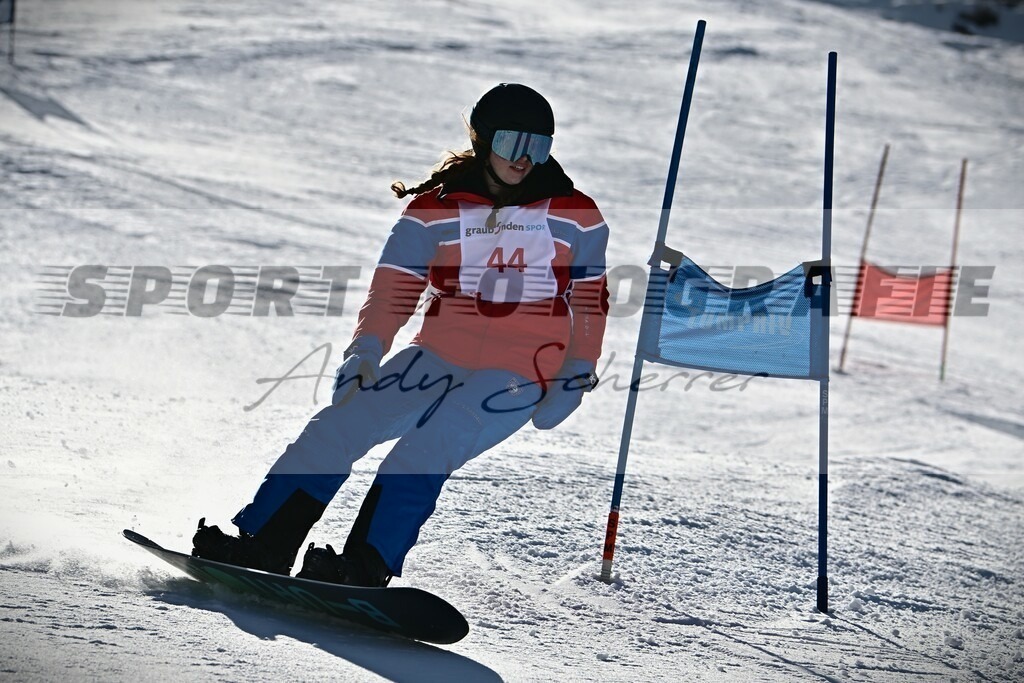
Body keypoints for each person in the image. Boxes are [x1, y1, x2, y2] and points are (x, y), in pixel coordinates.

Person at [191, 83, 610, 587]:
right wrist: (366, 348)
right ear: (483, 142)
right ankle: (265, 543)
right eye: (511, 143)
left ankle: (363, 568)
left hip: (522, 370)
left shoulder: (577, 215)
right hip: (437, 355)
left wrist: (578, 370)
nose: (525, 158)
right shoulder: (435, 209)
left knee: (424, 451)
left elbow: (590, 298)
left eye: (538, 146)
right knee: (338, 426)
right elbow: (395, 286)